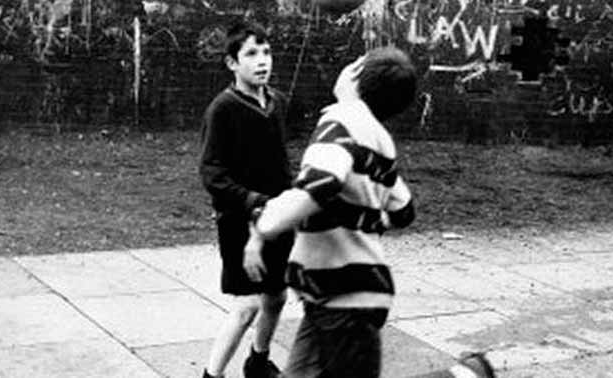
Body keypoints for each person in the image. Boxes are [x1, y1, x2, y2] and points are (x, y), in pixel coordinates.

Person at [248, 47, 496, 378]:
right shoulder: (379, 139)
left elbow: (319, 184)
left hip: (345, 298)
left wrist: (265, 223)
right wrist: (363, 220)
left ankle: (466, 376)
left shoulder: (340, 122)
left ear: (355, 77)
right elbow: (404, 208)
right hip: (332, 296)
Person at [199, 21, 293, 378]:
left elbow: (279, 161)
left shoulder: (277, 102)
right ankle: (212, 374)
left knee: (276, 296)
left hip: (278, 214)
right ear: (232, 63)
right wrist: (253, 201)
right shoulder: (222, 109)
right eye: (251, 54)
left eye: (266, 52)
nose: (262, 61)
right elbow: (212, 174)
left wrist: (290, 198)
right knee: (247, 304)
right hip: (239, 218)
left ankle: (257, 362)